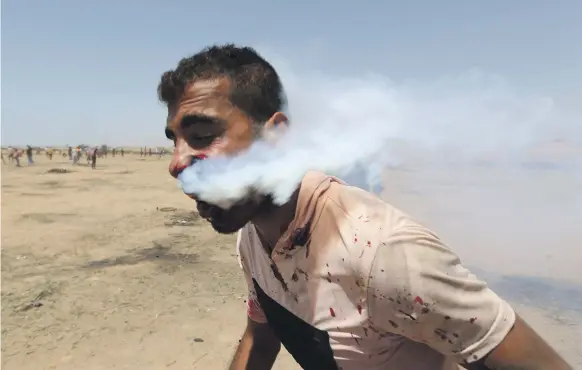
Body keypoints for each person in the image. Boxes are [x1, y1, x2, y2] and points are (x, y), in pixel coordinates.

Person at [158, 44, 572, 370]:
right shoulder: (253, 236)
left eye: (202, 134)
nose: (177, 163)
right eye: (174, 140)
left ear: (276, 135)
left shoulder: (382, 252)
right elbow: (262, 335)